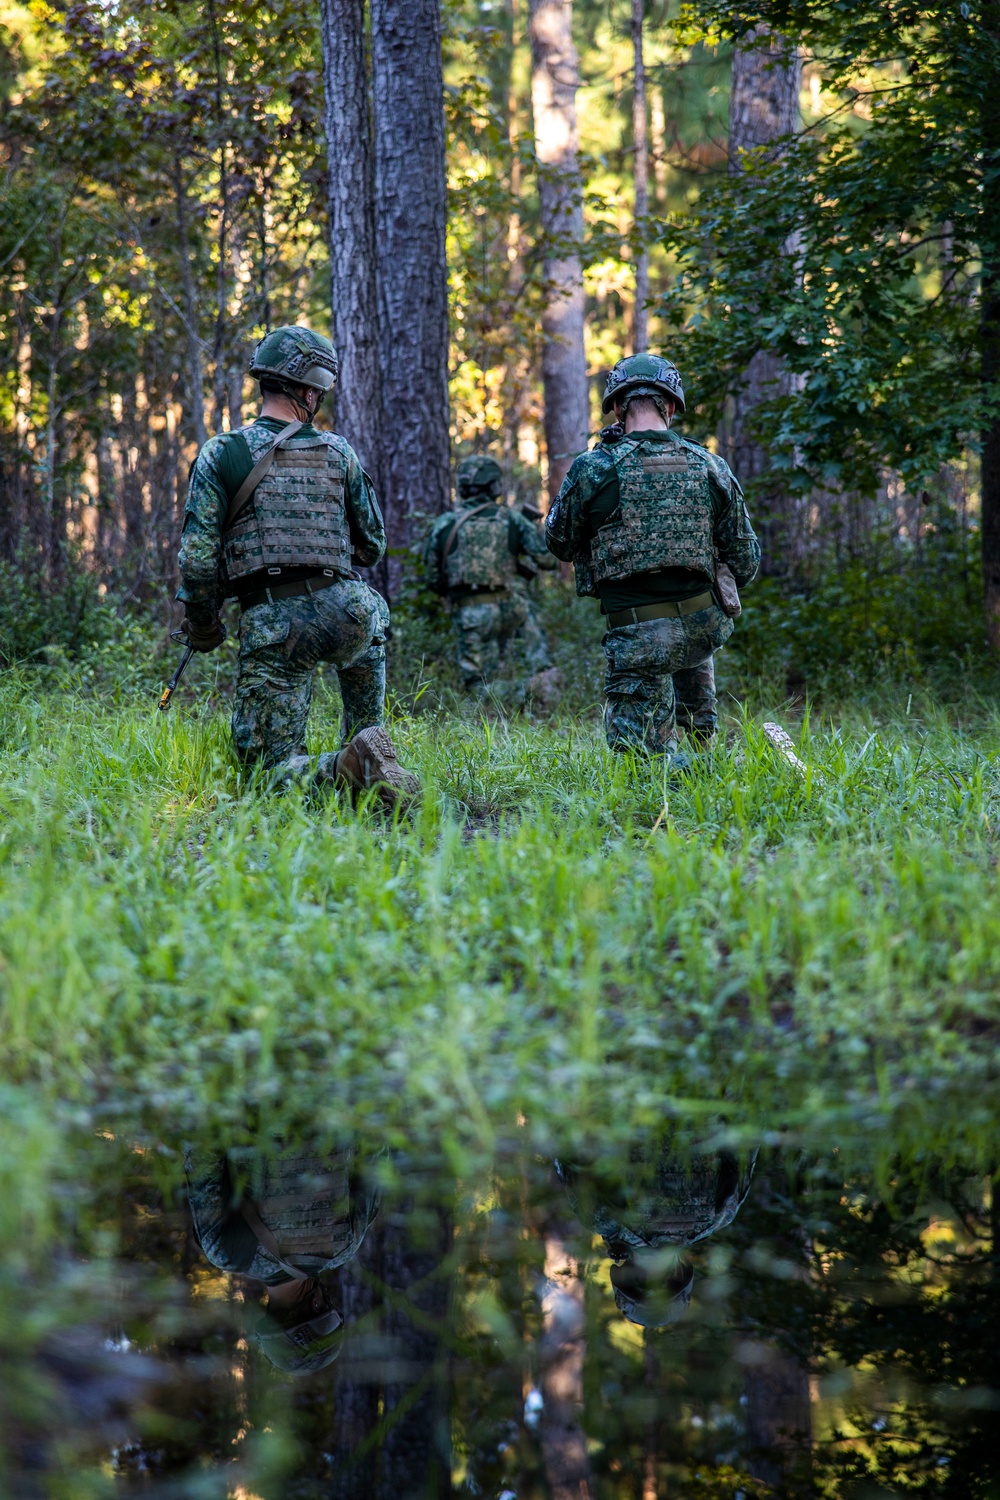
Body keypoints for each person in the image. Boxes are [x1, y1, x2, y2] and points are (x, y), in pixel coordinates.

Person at [175, 325, 418, 809]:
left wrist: (203, 624)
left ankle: (350, 767)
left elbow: (197, 559)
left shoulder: (222, 452)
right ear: (308, 390)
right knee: (369, 636)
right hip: (353, 611)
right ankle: (370, 754)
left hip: (276, 620)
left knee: (266, 775)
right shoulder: (339, 451)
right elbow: (372, 546)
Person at [545, 353, 760, 765]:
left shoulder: (594, 468)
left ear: (619, 409)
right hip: (704, 629)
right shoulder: (710, 465)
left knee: (641, 764)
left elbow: (558, 541)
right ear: (672, 406)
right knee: (688, 652)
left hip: (639, 635)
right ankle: (702, 738)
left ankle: (688, 766)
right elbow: (746, 561)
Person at [186, 1140, 381, 1376]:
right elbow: (200, 1151)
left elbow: (375, 1149)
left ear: (317, 1303)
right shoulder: (226, 1254)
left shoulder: (345, 1246)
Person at [556, 1135, 757, 1329]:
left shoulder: (717, 1218)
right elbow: (565, 1147)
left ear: (681, 1273)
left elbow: (745, 1142)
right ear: (624, 1275)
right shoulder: (602, 1220)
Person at [423, 456, 559, 696]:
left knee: (477, 686)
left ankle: (498, 706)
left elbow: (433, 577)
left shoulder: (446, 523)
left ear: (463, 486)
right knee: (533, 665)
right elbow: (548, 560)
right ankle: (533, 695)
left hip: (470, 612)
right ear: (495, 485)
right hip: (512, 608)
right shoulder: (512, 518)